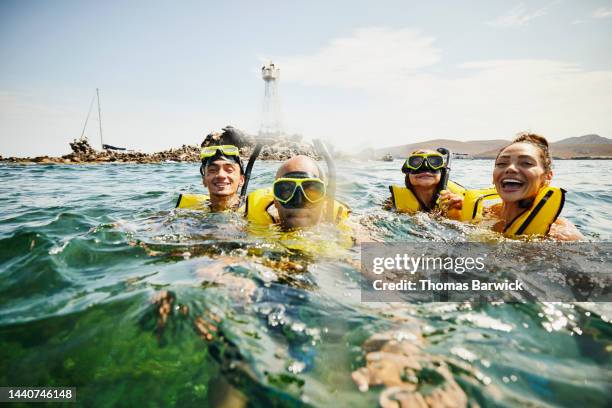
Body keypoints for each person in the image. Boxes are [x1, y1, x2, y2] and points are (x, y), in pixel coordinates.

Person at [442, 133, 584, 240]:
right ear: (493, 177)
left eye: (526, 163)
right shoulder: (487, 213)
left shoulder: (561, 235)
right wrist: (455, 211)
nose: (510, 168)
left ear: (547, 177)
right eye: (501, 164)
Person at [245, 155, 350, 230]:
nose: (298, 202)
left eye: (311, 191)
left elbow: (367, 258)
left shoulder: (348, 229)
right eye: (286, 191)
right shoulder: (249, 227)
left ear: (324, 199)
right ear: (275, 200)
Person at [386, 148, 465, 215]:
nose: (425, 167)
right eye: (416, 162)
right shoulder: (392, 203)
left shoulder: (458, 200)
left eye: (434, 161)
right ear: (407, 172)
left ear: (442, 172)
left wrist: (465, 208)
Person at [176, 145, 245, 212]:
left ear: (241, 180)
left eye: (229, 170)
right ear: (204, 180)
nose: (221, 175)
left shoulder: (251, 209)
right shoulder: (189, 211)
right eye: (212, 170)